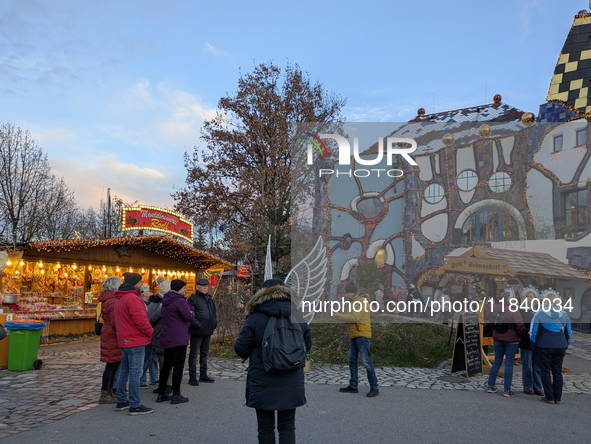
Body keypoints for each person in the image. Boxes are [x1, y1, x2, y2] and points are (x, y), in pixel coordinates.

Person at [234, 278, 312, 444]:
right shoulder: (297, 313)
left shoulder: (255, 316)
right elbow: (308, 346)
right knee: (287, 426)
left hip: (263, 379)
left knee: (265, 427)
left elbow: (241, 349)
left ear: (262, 293)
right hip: (291, 379)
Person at [114, 272, 154, 415]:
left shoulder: (120, 298)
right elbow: (141, 321)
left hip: (125, 340)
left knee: (124, 371)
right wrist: (151, 333)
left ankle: (121, 400)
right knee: (135, 373)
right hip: (136, 340)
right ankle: (135, 404)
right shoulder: (133, 299)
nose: (142, 283)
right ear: (135, 283)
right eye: (140, 281)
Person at [334, 282, 379, 397]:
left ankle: (374, 387)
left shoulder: (359, 301)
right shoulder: (354, 301)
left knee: (366, 362)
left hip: (362, 336)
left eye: (346, 292)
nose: (345, 295)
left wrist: (339, 316)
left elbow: (355, 317)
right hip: (355, 335)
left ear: (350, 292)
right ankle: (353, 386)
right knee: (352, 361)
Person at [156, 279, 195, 404]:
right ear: (179, 288)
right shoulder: (180, 301)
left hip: (167, 336)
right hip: (179, 337)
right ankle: (176, 394)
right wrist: (192, 309)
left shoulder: (166, 300)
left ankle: (162, 393)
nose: (185, 290)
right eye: (184, 288)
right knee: (178, 366)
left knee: (167, 365)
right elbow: (189, 316)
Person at [530, 291, 572, 404]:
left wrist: (534, 346)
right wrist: (566, 344)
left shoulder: (540, 314)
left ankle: (549, 396)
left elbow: (534, 333)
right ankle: (557, 397)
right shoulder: (564, 314)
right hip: (560, 344)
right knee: (557, 371)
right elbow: (568, 332)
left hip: (544, 344)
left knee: (545, 371)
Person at [485, 290, 527, 397]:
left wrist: (490, 304)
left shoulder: (494, 307)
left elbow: (487, 316)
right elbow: (520, 327)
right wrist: (524, 334)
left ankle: (490, 386)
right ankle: (507, 390)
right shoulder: (514, 310)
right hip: (511, 340)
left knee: (497, 361)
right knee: (509, 363)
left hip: (497, 338)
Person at [187, 278, 217, 385]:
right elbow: (189, 313)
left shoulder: (209, 298)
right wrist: (197, 324)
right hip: (197, 331)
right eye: (203, 285)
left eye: (206, 285)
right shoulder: (193, 298)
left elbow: (213, 312)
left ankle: (203, 375)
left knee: (204, 354)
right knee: (194, 354)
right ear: (197, 287)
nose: (205, 287)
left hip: (208, 330)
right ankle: (192, 377)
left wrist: (214, 323)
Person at [98, 276, 122, 404]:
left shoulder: (108, 299)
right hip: (112, 336)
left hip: (109, 334)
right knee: (111, 365)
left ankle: (109, 392)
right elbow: (115, 321)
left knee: (113, 364)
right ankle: (105, 393)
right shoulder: (112, 301)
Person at [147, 278, 172, 395]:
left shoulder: (172, 301)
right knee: (163, 362)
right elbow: (149, 319)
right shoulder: (155, 302)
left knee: (169, 362)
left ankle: (168, 385)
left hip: (170, 335)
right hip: (159, 336)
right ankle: (164, 385)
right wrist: (160, 310)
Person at [519, 288, 543, 396]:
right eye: (527, 297)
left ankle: (538, 386)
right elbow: (519, 324)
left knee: (538, 364)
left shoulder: (540, 309)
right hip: (526, 340)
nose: (529, 299)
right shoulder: (522, 309)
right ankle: (528, 386)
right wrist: (526, 331)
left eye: (531, 297)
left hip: (538, 340)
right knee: (527, 364)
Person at [140, 285, 159, 389]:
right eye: (148, 291)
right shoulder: (141, 303)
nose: (151, 293)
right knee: (145, 358)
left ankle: (154, 377)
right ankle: (142, 379)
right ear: (143, 293)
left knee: (153, 357)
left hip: (152, 333)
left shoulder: (152, 303)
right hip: (145, 334)